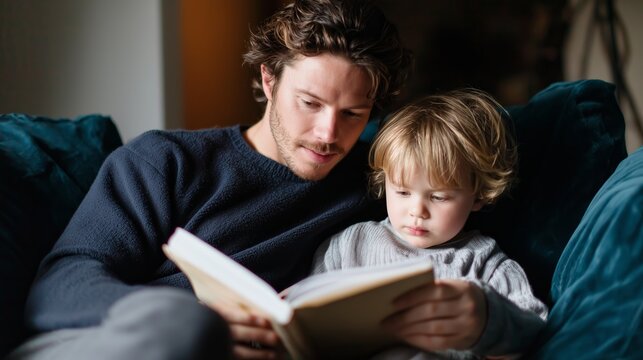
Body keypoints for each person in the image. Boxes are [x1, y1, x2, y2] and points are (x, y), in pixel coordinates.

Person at [9, 1, 411, 359]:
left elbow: (465, 224)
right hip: (120, 338)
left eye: (353, 114)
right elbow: (58, 287)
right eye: (310, 103)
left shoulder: (382, 181)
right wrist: (189, 318)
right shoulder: (165, 160)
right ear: (269, 80)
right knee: (190, 330)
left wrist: (476, 313)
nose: (328, 133)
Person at [311, 89, 548, 359]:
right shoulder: (350, 244)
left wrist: (487, 318)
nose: (417, 211)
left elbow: (533, 332)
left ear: (478, 196)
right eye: (402, 192)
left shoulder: (485, 263)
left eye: (439, 196)